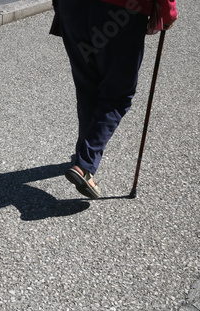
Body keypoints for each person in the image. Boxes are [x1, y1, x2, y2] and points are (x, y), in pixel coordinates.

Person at [50, 0, 177, 199]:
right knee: (117, 95)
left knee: (87, 87)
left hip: (73, 8)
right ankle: (84, 165)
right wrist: (168, 13)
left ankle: (83, 156)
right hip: (121, 9)